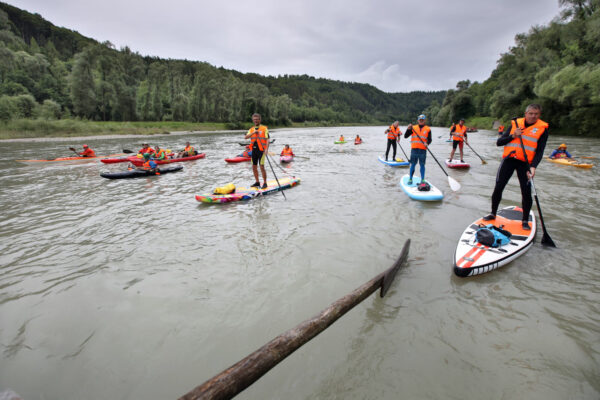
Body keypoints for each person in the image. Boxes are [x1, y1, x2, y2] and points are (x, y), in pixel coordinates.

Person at [483, 104, 549, 230]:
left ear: (539, 115)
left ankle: (524, 220)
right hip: (509, 160)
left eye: (536, 114)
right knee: (498, 187)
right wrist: (513, 135)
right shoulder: (515, 124)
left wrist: (534, 167)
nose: (533, 116)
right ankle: (493, 213)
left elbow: (540, 151)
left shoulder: (543, 128)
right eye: (531, 113)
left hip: (526, 164)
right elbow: (499, 142)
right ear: (526, 114)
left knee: (526, 192)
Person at [404, 114, 432, 184]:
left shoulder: (428, 129)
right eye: (420, 120)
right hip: (414, 150)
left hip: (423, 150)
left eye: (422, 120)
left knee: (422, 165)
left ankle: (422, 179)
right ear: (418, 120)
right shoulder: (413, 128)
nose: (421, 121)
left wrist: (427, 143)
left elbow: (430, 139)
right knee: (413, 164)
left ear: (425, 120)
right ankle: (410, 179)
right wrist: (408, 129)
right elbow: (405, 136)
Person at [244, 113, 269, 188]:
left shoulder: (264, 128)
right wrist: (254, 132)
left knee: (261, 167)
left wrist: (266, 149)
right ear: (253, 120)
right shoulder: (251, 129)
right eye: (254, 119)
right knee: (254, 167)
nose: (255, 121)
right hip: (254, 151)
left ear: (259, 120)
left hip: (261, 150)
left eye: (257, 119)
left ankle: (265, 183)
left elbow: (267, 139)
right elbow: (246, 137)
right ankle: (257, 182)